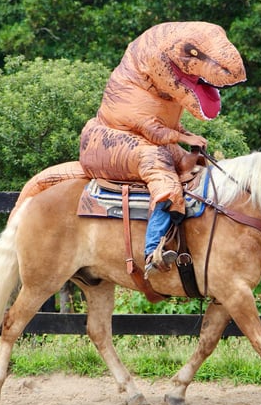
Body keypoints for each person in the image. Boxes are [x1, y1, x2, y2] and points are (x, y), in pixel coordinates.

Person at [77, 21, 246, 274]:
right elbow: (149, 127)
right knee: (164, 177)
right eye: (193, 54)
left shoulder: (163, 89)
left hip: (148, 140)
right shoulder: (141, 75)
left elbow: (167, 128)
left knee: (197, 168)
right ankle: (152, 250)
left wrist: (189, 140)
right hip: (109, 139)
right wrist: (186, 139)